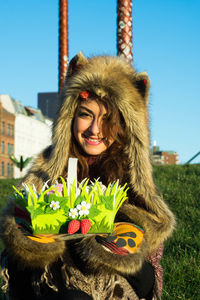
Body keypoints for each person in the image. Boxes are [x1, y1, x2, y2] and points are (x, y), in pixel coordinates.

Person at [0, 52, 175, 300]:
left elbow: (147, 278)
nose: (95, 129)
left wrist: (109, 242)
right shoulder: (46, 171)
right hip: (54, 286)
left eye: (107, 119)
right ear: (69, 117)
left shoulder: (133, 179)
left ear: (125, 124)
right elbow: (14, 259)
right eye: (85, 114)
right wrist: (36, 240)